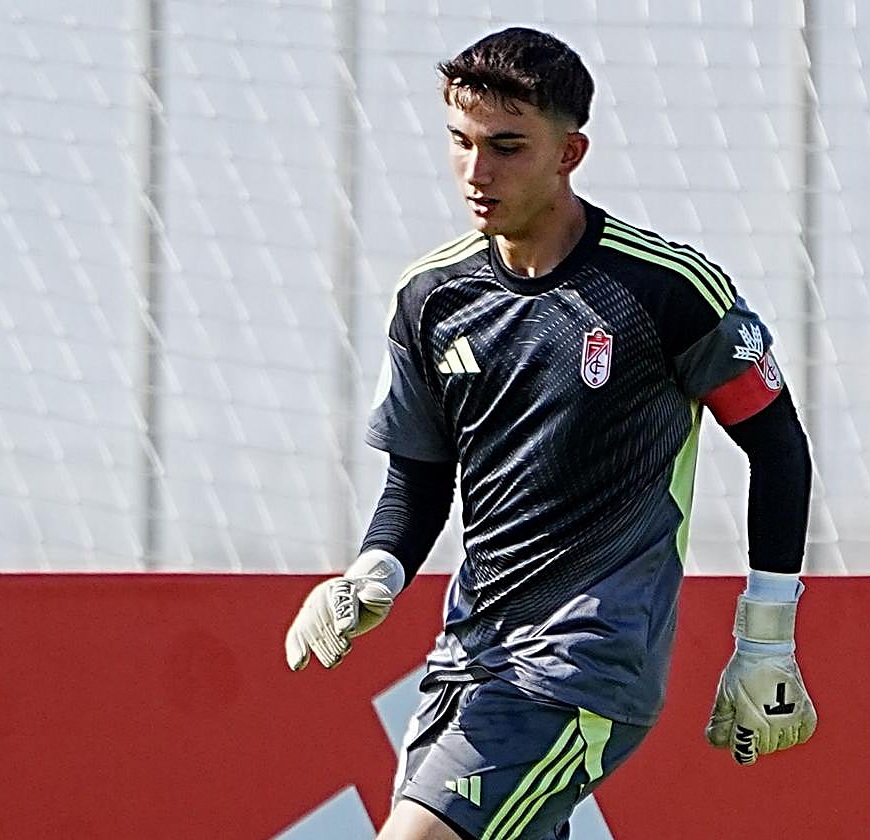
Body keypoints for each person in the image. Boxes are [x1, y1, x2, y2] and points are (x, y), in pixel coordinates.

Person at [285, 26, 816, 840]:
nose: (476, 172)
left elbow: (776, 445)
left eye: (506, 147)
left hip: (580, 666)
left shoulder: (666, 289)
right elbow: (417, 481)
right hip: (468, 659)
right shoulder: (431, 297)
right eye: (461, 142)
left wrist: (767, 641)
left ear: (570, 153)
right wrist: (372, 574)